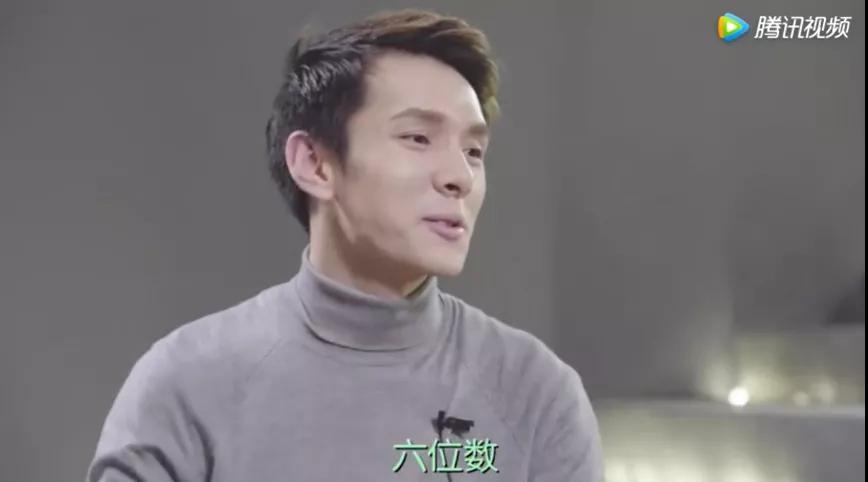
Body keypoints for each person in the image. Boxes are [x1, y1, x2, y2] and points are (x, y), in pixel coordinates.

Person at [86, 9, 603, 482]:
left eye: (473, 151)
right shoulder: (185, 383)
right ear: (314, 164)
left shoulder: (535, 392)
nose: (459, 177)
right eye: (418, 138)